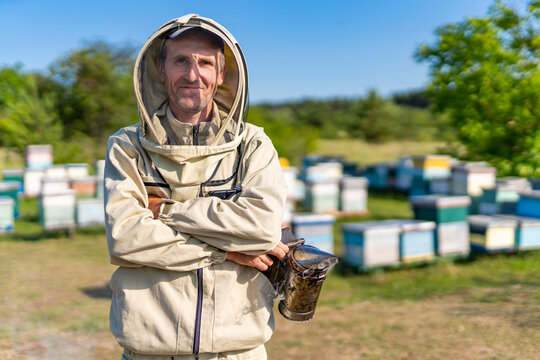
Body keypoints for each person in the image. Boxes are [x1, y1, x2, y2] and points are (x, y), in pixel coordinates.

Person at [104, 14, 288, 360]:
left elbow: (262, 230)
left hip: (238, 351)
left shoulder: (253, 144)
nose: (193, 74)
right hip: (150, 351)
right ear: (160, 70)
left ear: (221, 74)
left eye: (205, 63)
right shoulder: (127, 146)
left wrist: (164, 210)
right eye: (181, 61)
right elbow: (126, 239)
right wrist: (227, 251)